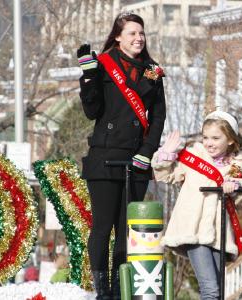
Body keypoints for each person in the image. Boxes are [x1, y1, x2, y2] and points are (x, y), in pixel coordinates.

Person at [76, 12, 166, 300]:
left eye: (141, 33)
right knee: (102, 228)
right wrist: (89, 77)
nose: (138, 38)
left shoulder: (153, 70)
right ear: (118, 36)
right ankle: (102, 291)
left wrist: (147, 151)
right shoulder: (103, 64)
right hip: (104, 156)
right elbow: (92, 112)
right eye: (132, 33)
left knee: (128, 232)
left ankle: (120, 290)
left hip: (137, 159)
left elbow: (159, 116)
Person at [152, 111, 242, 299]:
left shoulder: (240, 165)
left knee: (218, 288)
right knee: (210, 289)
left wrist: (236, 189)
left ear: (231, 139)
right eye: (206, 137)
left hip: (219, 234)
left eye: (216, 138)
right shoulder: (193, 157)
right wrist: (165, 155)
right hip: (192, 230)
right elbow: (166, 175)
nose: (209, 143)